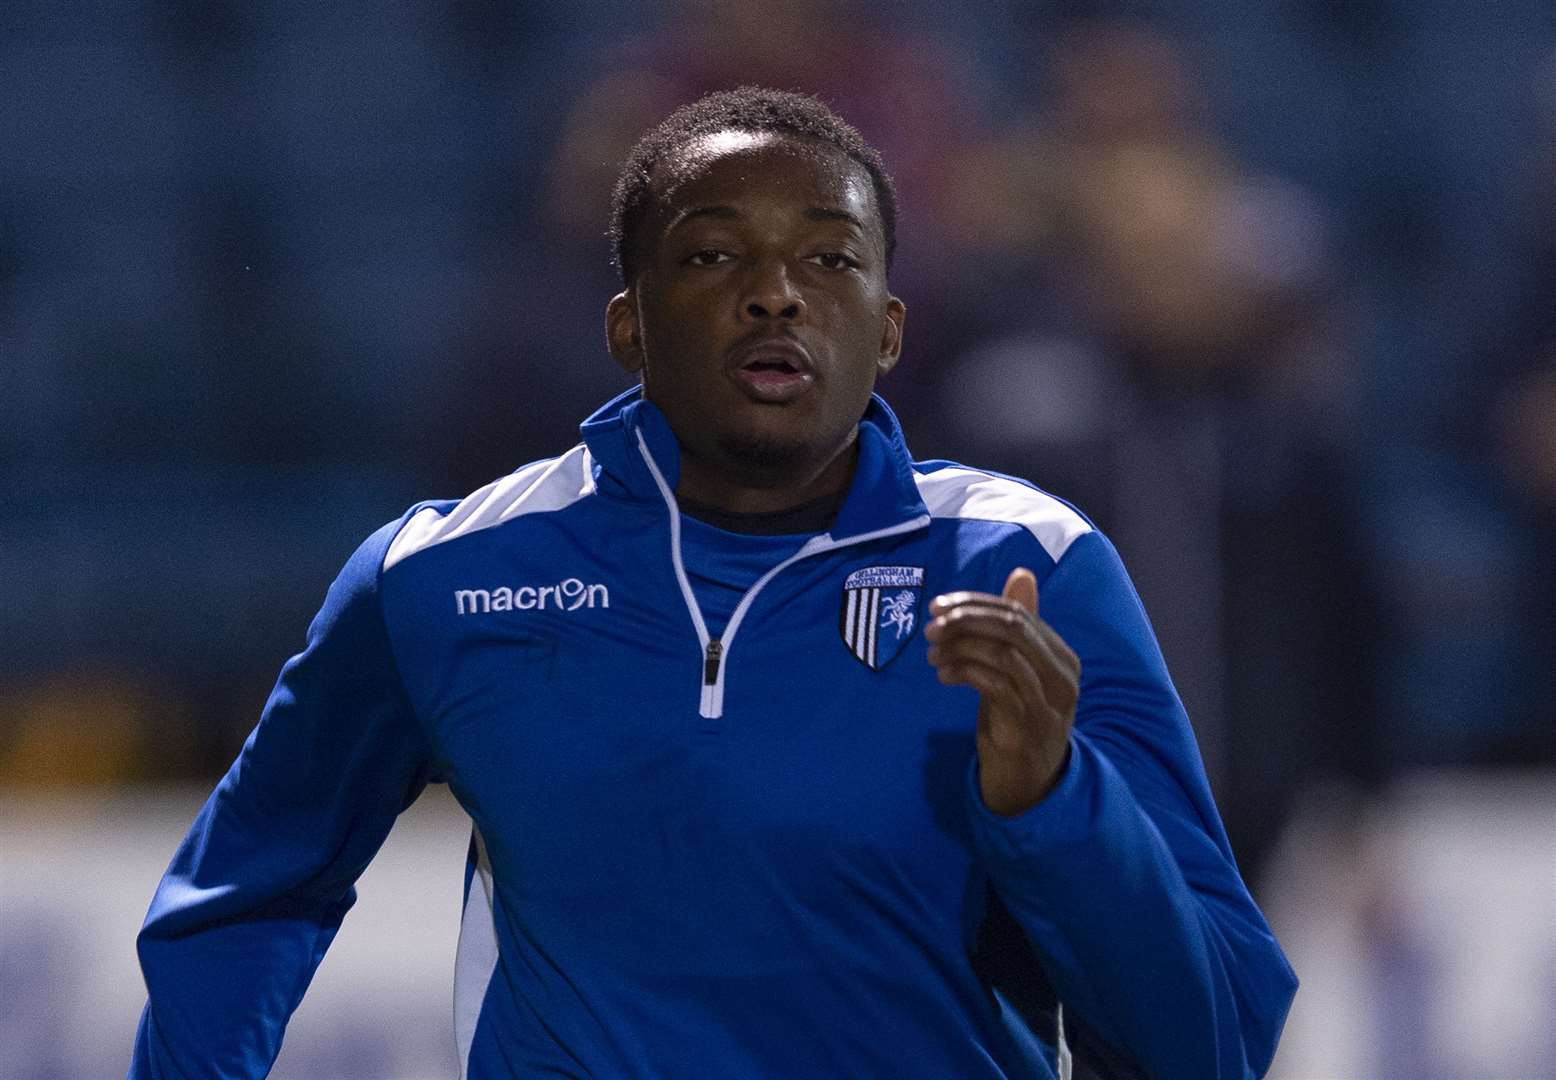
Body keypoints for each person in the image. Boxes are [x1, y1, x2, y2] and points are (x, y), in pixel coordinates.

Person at [130, 87, 1296, 1079]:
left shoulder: (1028, 567)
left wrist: (1052, 799)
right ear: (627, 328)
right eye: (711, 254)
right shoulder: (444, 577)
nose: (775, 292)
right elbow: (247, 891)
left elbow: (1210, 1039)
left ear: (886, 330)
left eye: (828, 258)